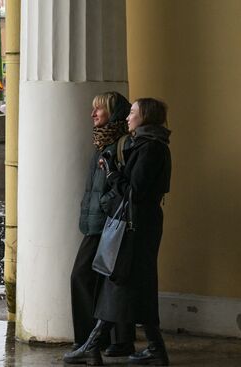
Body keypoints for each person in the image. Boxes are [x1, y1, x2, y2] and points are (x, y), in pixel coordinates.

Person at [64, 98, 172, 366]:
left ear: (144, 117)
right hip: (139, 225)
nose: (128, 118)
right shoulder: (147, 146)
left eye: (132, 113)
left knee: (118, 282)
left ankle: (92, 345)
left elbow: (134, 191)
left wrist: (112, 173)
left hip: (135, 226)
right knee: (133, 285)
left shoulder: (150, 149)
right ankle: (155, 348)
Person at [69, 91, 132, 356]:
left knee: (83, 276)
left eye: (99, 109)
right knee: (109, 281)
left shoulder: (123, 145)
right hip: (99, 223)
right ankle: (116, 340)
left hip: (109, 223)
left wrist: (105, 206)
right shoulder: (103, 142)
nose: (93, 114)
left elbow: (124, 186)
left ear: (113, 114)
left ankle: (88, 340)